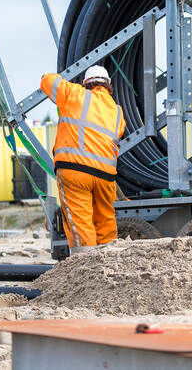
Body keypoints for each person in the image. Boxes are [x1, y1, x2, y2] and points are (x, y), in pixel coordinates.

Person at [40, 65, 125, 249]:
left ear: (86, 83)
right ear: (109, 86)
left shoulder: (74, 94)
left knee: (80, 222)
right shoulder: (117, 112)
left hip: (75, 171)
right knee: (105, 221)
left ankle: (85, 267)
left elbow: (47, 79)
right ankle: (109, 261)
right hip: (106, 176)